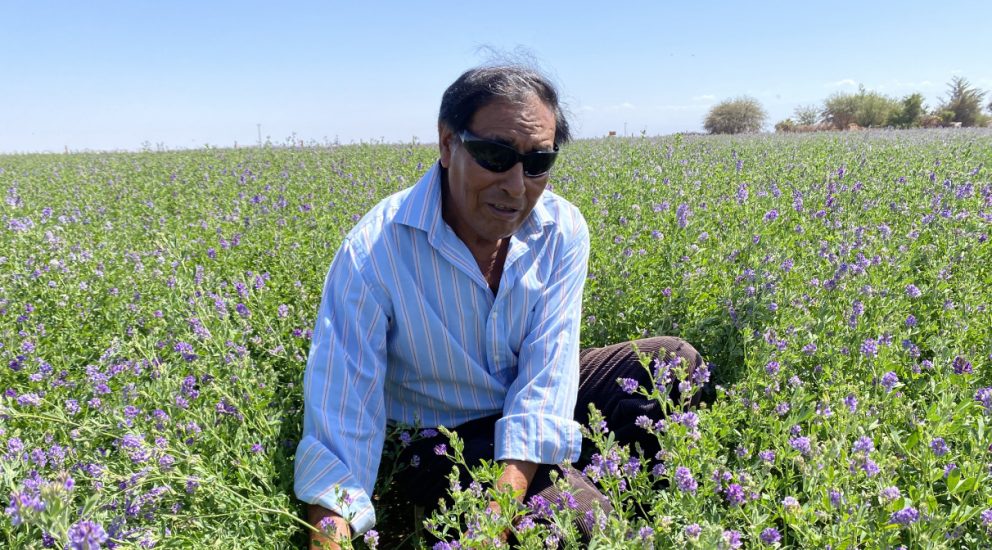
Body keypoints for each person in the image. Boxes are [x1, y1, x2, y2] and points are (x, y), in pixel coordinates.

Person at [295, 64, 711, 549]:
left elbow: (545, 376)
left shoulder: (562, 229)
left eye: (537, 163)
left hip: (522, 395)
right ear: (448, 144)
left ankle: (643, 500)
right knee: (578, 527)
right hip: (441, 431)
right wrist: (334, 537)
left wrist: (494, 517)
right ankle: (577, 490)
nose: (516, 187)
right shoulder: (375, 248)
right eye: (495, 156)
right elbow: (342, 415)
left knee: (672, 364)